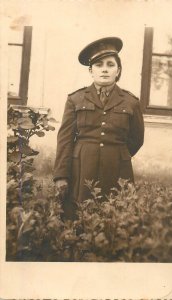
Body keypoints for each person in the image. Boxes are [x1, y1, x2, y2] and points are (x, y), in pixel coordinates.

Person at [53, 37, 144, 212]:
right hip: (81, 169)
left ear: (118, 71)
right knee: (77, 218)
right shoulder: (75, 99)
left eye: (110, 65)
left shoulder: (131, 102)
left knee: (115, 216)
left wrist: (117, 155)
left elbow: (136, 139)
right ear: (90, 70)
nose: (104, 69)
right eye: (98, 65)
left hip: (117, 170)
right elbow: (64, 139)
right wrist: (61, 175)